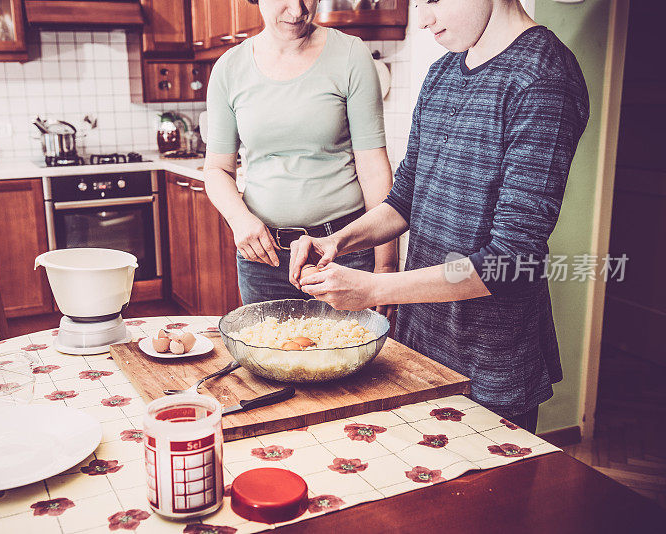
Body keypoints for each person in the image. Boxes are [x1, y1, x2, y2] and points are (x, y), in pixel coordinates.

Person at [288, 0, 590, 433]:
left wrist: (373, 287)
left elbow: (509, 260)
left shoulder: (544, 78)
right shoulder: (444, 71)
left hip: (491, 361)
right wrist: (337, 241)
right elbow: (406, 198)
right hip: (420, 344)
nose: (424, 18)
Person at [203, 0, 398, 317]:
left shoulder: (350, 54)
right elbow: (216, 169)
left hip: (342, 250)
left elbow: (374, 169)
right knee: (270, 358)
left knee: (346, 358)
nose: (297, 10)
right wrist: (240, 219)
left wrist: (385, 265)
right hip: (264, 256)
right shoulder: (229, 68)